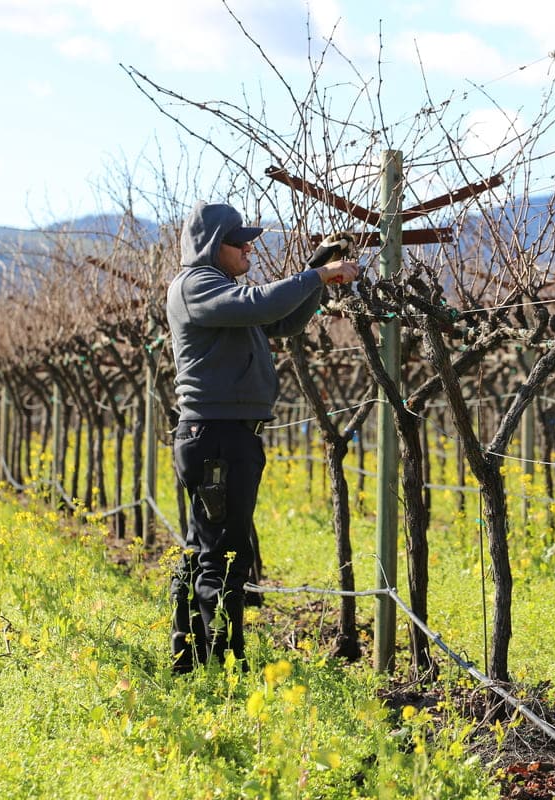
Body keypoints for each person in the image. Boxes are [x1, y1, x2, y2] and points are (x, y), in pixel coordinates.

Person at [166, 200, 359, 672]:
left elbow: (282, 320)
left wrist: (318, 273)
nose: (250, 246)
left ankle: (189, 655)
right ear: (214, 245)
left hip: (223, 435)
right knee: (226, 553)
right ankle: (223, 664)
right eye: (240, 240)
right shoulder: (196, 286)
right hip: (217, 436)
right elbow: (260, 303)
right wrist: (316, 277)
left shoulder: (220, 290)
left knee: (208, 545)